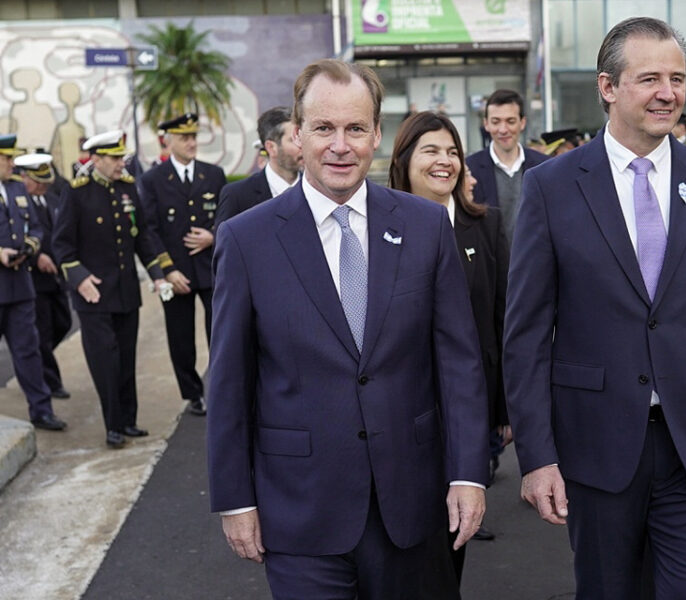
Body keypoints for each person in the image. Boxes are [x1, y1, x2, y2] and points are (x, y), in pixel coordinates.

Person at [503, 17, 686, 598]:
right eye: (649, 78)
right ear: (608, 87)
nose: (668, 93)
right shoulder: (552, 186)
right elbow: (524, 337)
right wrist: (537, 456)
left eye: (676, 78)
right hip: (595, 449)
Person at [207, 59, 490, 599]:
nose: (341, 145)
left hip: (412, 505)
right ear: (296, 134)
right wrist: (235, 498)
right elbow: (229, 381)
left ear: (377, 135)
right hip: (299, 512)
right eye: (324, 128)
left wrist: (468, 474)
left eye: (355, 129)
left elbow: (459, 364)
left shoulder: (425, 226)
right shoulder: (247, 239)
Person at [388, 110, 510, 579]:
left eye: (453, 151)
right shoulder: (376, 229)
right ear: (404, 160)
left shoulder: (486, 225)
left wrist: (504, 409)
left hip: (465, 408)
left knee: (451, 535)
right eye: (431, 151)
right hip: (399, 408)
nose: (445, 161)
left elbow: (501, 321)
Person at [53, 130, 170, 448]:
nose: (122, 163)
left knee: (127, 359)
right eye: (115, 158)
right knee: (106, 361)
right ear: (96, 160)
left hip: (126, 292)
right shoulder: (77, 193)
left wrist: (158, 274)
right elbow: (62, 245)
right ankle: (112, 425)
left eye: (122, 157)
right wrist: (80, 279)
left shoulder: (128, 188)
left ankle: (129, 420)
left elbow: (142, 236)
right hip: (94, 296)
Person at [140, 113, 226, 416]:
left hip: (210, 268)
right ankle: (193, 394)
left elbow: (228, 219)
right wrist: (167, 269)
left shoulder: (213, 175)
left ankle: (222, 388)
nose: (191, 143)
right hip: (176, 271)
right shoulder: (153, 179)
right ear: (168, 141)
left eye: (194, 137)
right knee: (181, 338)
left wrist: (213, 237)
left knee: (220, 331)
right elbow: (149, 229)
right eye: (184, 138)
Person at [0, 136, 67, 431]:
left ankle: (41, 411)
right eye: (6, 159)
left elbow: (36, 226)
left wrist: (29, 247)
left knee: (29, 351)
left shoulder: (16, 187)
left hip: (19, 285)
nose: (12, 164)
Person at [15, 153, 73, 398]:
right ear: (25, 178)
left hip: (55, 278)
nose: (42, 185)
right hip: (33, 278)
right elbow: (18, 237)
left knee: (64, 323)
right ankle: (50, 382)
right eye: (37, 181)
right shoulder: (18, 203)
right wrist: (36, 256)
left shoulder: (50, 199)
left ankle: (36, 366)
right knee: (43, 332)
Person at [465, 89, 548, 242]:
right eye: (496, 122)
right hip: (488, 262)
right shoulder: (470, 169)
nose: (503, 130)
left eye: (510, 121)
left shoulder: (545, 166)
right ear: (486, 124)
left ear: (522, 123)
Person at [214, 106, 303, 229]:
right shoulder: (237, 195)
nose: (302, 145)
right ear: (271, 147)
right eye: (293, 139)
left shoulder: (320, 189)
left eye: (302, 137)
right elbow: (225, 245)